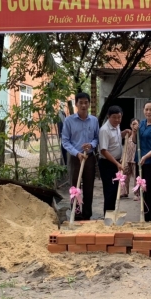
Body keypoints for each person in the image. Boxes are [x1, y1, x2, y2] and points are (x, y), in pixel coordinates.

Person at [61, 92, 99, 220]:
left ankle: (87, 215)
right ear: (76, 104)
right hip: (75, 157)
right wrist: (76, 153)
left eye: (86, 102)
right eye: (80, 102)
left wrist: (91, 145)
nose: (83, 105)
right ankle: (75, 214)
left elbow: (96, 138)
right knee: (75, 187)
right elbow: (65, 141)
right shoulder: (69, 120)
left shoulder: (94, 120)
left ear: (89, 104)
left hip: (89, 158)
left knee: (88, 187)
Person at [98, 106, 131, 215]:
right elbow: (103, 150)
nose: (117, 120)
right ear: (108, 117)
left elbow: (115, 139)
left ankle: (112, 213)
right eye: (114, 117)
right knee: (109, 191)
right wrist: (117, 163)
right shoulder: (104, 130)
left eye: (119, 117)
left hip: (116, 163)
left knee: (115, 190)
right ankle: (108, 215)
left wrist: (123, 133)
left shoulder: (116, 126)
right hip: (107, 164)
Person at [123, 118, 139, 199]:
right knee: (125, 175)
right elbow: (125, 147)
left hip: (135, 159)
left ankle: (136, 194)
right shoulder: (128, 134)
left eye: (136, 124)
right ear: (130, 125)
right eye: (133, 124)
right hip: (127, 158)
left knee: (136, 177)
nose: (134, 126)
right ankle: (124, 192)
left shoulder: (139, 134)